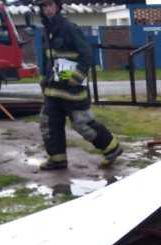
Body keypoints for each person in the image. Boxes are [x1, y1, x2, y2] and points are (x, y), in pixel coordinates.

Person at [34, 0, 122, 170]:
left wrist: (77, 76)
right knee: (49, 123)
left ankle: (112, 148)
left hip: (72, 87)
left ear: (57, 6)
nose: (48, 9)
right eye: (44, 6)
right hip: (53, 88)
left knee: (82, 123)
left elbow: (86, 54)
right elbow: (47, 58)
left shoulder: (69, 28)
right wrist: (43, 78)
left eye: (50, 5)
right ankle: (57, 159)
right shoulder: (46, 30)